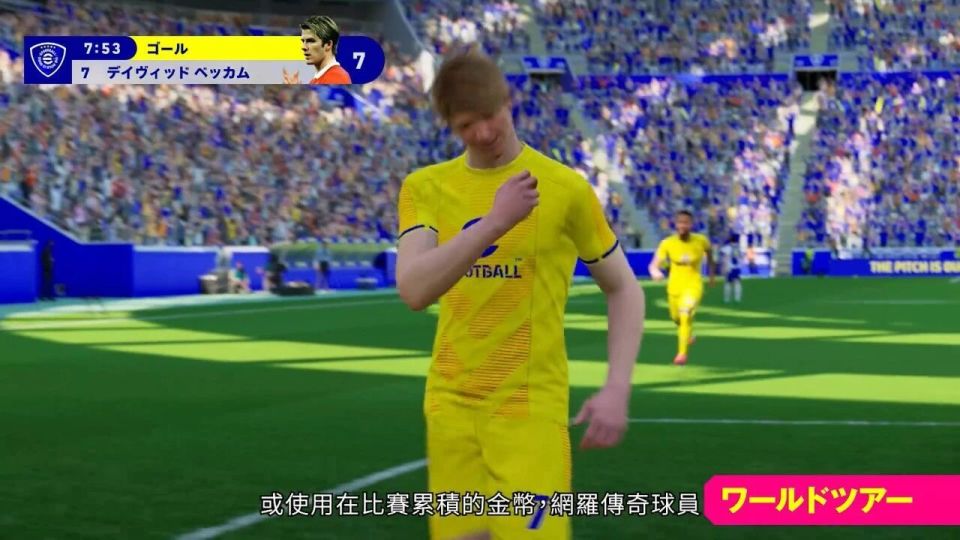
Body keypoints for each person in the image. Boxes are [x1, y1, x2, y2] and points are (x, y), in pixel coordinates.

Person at [395, 46, 644, 540]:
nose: (483, 133)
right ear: (450, 127)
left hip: (529, 408)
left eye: (490, 115)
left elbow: (624, 288)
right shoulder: (425, 188)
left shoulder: (564, 188)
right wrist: (495, 223)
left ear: (508, 101)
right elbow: (414, 289)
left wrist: (617, 387)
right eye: (466, 125)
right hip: (450, 406)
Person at [647, 210, 715, 366]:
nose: (683, 225)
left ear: (691, 224)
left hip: (693, 285)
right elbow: (654, 264)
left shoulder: (701, 241)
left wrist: (711, 275)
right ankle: (687, 334)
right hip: (674, 288)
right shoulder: (667, 243)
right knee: (677, 318)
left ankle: (681, 354)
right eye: (680, 222)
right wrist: (655, 271)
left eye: (686, 222)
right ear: (676, 224)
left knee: (685, 312)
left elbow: (711, 256)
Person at [283, 15, 352, 85]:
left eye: (311, 41)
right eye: (303, 41)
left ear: (328, 44)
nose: (304, 47)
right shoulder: (317, 79)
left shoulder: (337, 77)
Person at [720, 235, 742, 303]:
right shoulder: (738, 247)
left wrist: (723, 267)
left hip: (729, 267)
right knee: (737, 283)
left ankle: (727, 299)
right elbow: (741, 258)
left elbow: (725, 258)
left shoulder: (727, 248)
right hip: (737, 268)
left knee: (728, 283)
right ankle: (737, 299)